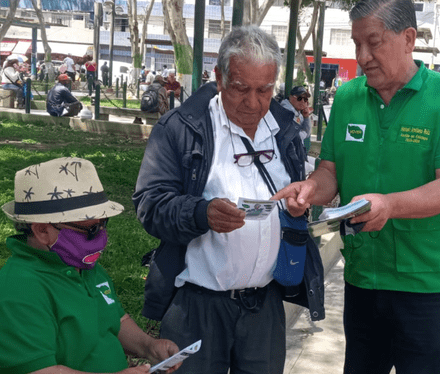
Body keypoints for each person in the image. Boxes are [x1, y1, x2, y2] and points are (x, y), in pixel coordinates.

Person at [272, 0, 440, 372]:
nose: (362, 56)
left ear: (408, 38)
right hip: (364, 276)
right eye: (356, 44)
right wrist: (308, 190)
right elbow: (330, 170)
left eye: (374, 42)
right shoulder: (349, 98)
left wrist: (390, 205)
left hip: (426, 281)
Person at [133, 25, 323, 374]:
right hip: (197, 305)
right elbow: (149, 204)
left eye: (265, 90)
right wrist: (200, 213)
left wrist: (299, 204)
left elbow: (299, 192)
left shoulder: (285, 130)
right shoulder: (182, 127)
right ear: (219, 78)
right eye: (240, 89)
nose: (253, 103)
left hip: (264, 304)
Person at [0, 157, 182, 373]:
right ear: (42, 231)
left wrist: (149, 346)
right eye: (90, 230)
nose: (102, 238)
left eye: (104, 224)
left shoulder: (86, 268)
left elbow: (115, 319)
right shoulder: (17, 290)